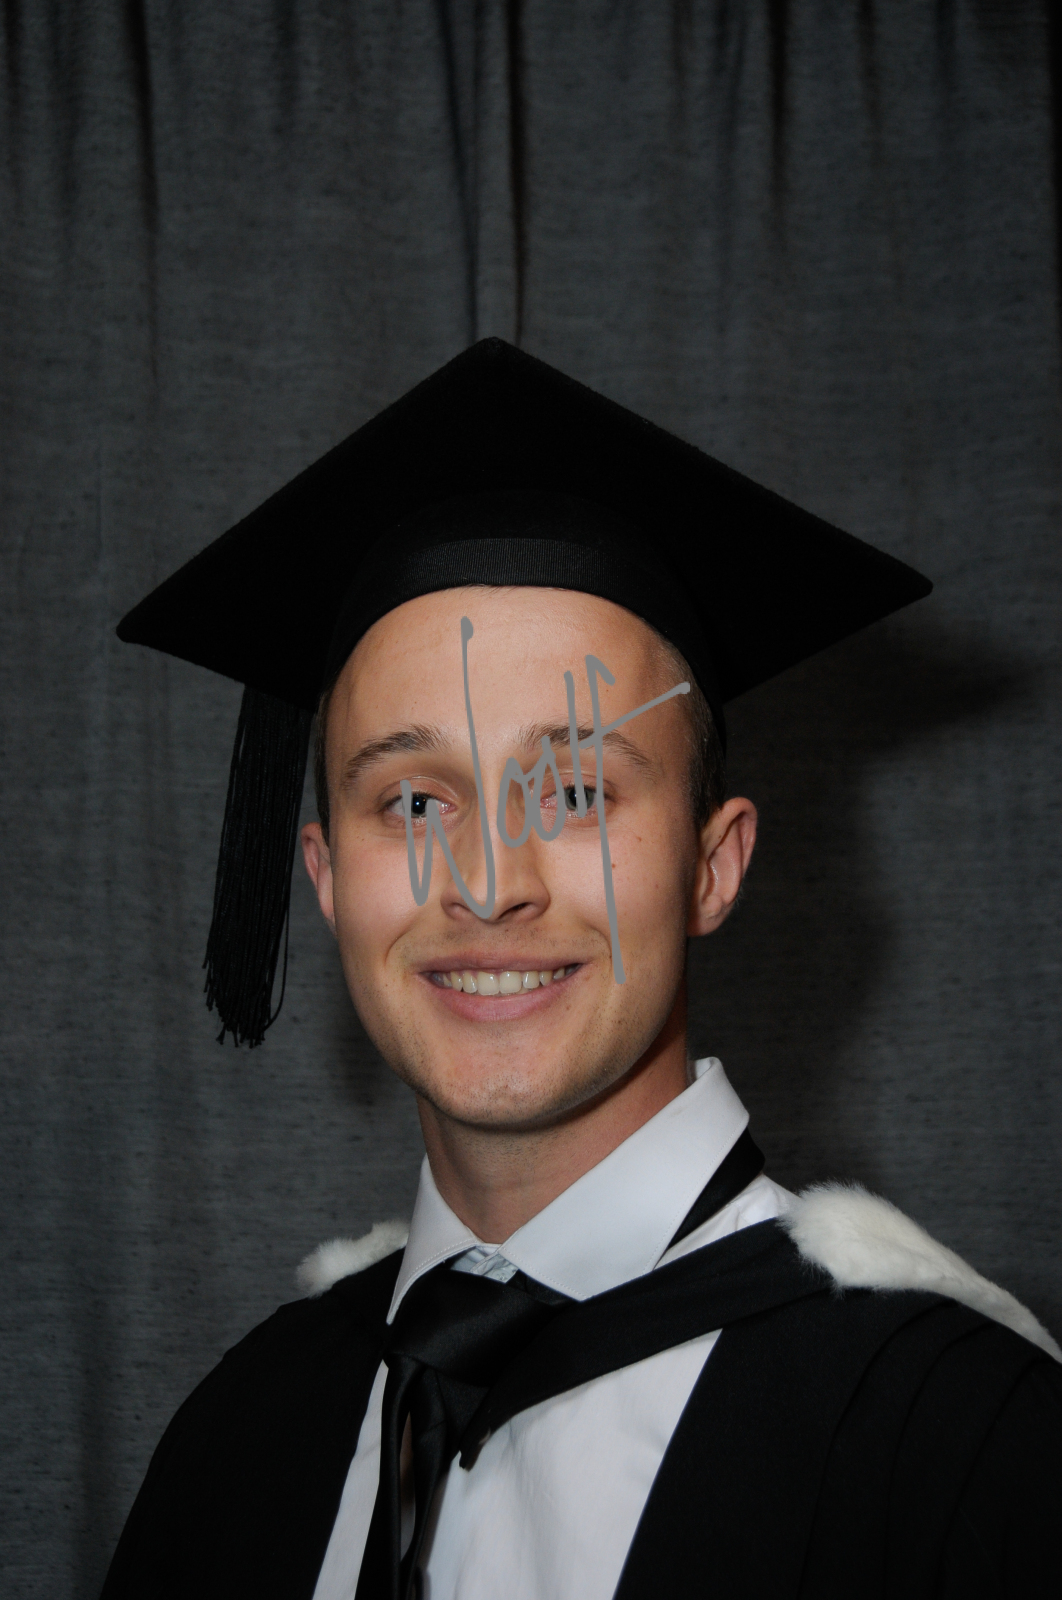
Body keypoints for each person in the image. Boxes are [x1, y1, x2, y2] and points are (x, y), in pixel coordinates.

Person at [101, 341, 1061, 1600]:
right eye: (413, 801)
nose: (488, 882)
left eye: (576, 792)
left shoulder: (966, 1455)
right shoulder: (243, 1437)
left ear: (712, 865)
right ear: (327, 878)